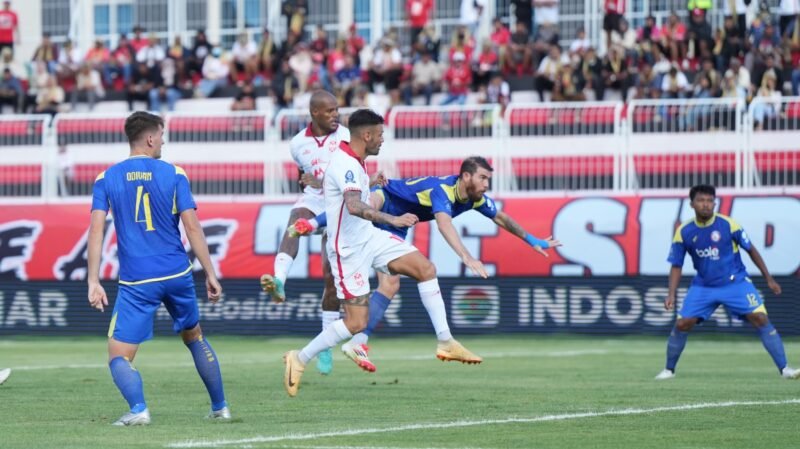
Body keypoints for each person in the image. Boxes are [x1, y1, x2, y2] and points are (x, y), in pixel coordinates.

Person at [282, 109, 483, 397]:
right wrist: (394, 220)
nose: (382, 140)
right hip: (348, 251)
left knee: (425, 269)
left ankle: (446, 341)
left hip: (370, 238)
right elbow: (353, 206)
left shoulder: (356, 161)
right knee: (355, 323)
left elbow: (347, 201)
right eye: (380, 135)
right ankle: (299, 358)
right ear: (366, 135)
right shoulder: (347, 165)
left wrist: (372, 185)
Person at [292, 157, 559, 370]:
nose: (487, 184)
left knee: (391, 284)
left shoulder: (474, 199)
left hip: (399, 225)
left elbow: (500, 218)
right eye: (483, 178)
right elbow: (444, 224)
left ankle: (358, 342)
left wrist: (532, 239)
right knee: (367, 203)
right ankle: (313, 223)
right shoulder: (443, 190)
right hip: (387, 197)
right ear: (466, 176)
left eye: (488, 179)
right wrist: (466, 256)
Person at [87, 112, 231, 425]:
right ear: (150, 138)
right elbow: (192, 228)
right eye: (162, 135)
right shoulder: (175, 173)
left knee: (119, 356)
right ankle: (221, 407)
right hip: (177, 273)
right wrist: (210, 273)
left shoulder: (106, 178)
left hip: (138, 280)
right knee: (194, 337)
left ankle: (138, 409)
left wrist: (93, 280)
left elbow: (96, 230)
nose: (163, 140)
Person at [655, 185, 800, 381]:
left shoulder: (729, 225)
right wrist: (671, 293)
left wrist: (768, 278)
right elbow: (676, 265)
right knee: (682, 323)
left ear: (714, 203)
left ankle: (785, 369)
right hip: (703, 286)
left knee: (760, 318)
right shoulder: (684, 231)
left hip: (735, 283)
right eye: (701, 200)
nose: (706, 205)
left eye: (709, 201)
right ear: (692, 204)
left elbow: (751, 250)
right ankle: (669, 370)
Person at [260, 90, 351, 376]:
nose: (335, 114)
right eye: (330, 111)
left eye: (337, 109)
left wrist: (321, 179)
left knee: (330, 275)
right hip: (314, 199)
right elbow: (305, 178)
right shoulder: (297, 143)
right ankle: (279, 280)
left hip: (341, 204)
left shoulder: (347, 136)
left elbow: (353, 174)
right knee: (295, 220)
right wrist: (309, 182)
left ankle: (324, 346)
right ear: (314, 113)